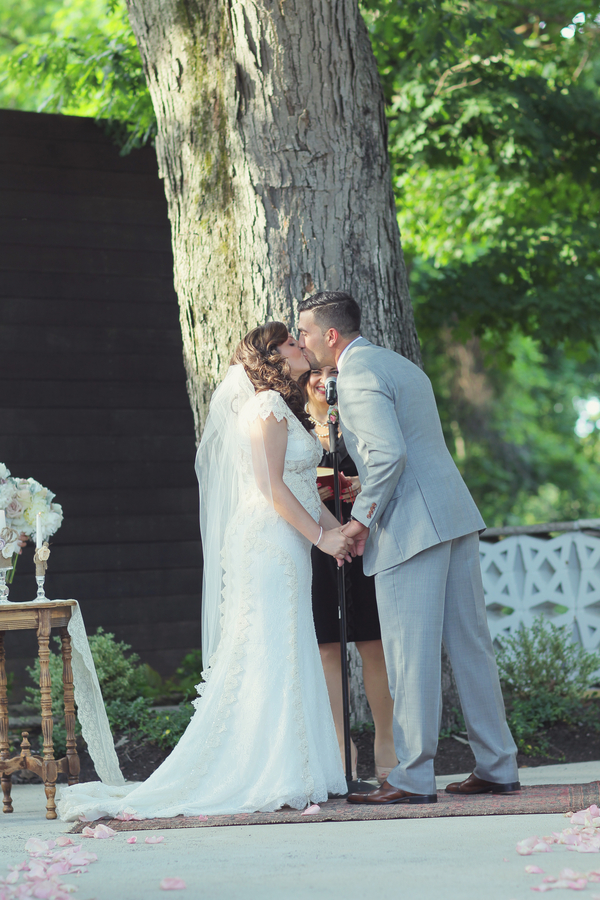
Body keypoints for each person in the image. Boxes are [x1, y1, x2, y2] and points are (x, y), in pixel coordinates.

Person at [57, 322, 351, 821]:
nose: (302, 346)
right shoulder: (265, 409)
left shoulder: (284, 409)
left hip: (287, 540)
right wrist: (322, 537)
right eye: (291, 343)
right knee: (271, 647)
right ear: (272, 357)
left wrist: (336, 534)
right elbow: (271, 489)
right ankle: (272, 771)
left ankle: (295, 766)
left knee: (288, 644)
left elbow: (301, 487)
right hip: (267, 543)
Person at [297, 291, 519, 805]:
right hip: (452, 516)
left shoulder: (356, 375)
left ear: (331, 335)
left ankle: (414, 778)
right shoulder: (397, 364)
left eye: (305, 332)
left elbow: (389, 455)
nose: (303, 341)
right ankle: (498, 764)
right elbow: (410, 449)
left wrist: (359, 521)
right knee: (471, 648)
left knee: (409, 655)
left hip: (411, 528)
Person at [300, 365, 397, 782]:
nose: (324, 379)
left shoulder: (360, 418)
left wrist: (361, 489)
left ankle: (388, 748)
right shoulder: (294, 422)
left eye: (332, 371)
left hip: (364, 540)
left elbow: (388, 468)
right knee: (327, 649)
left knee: (374, 644)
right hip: (316, 545)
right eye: (316, 372)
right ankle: (342, 749)